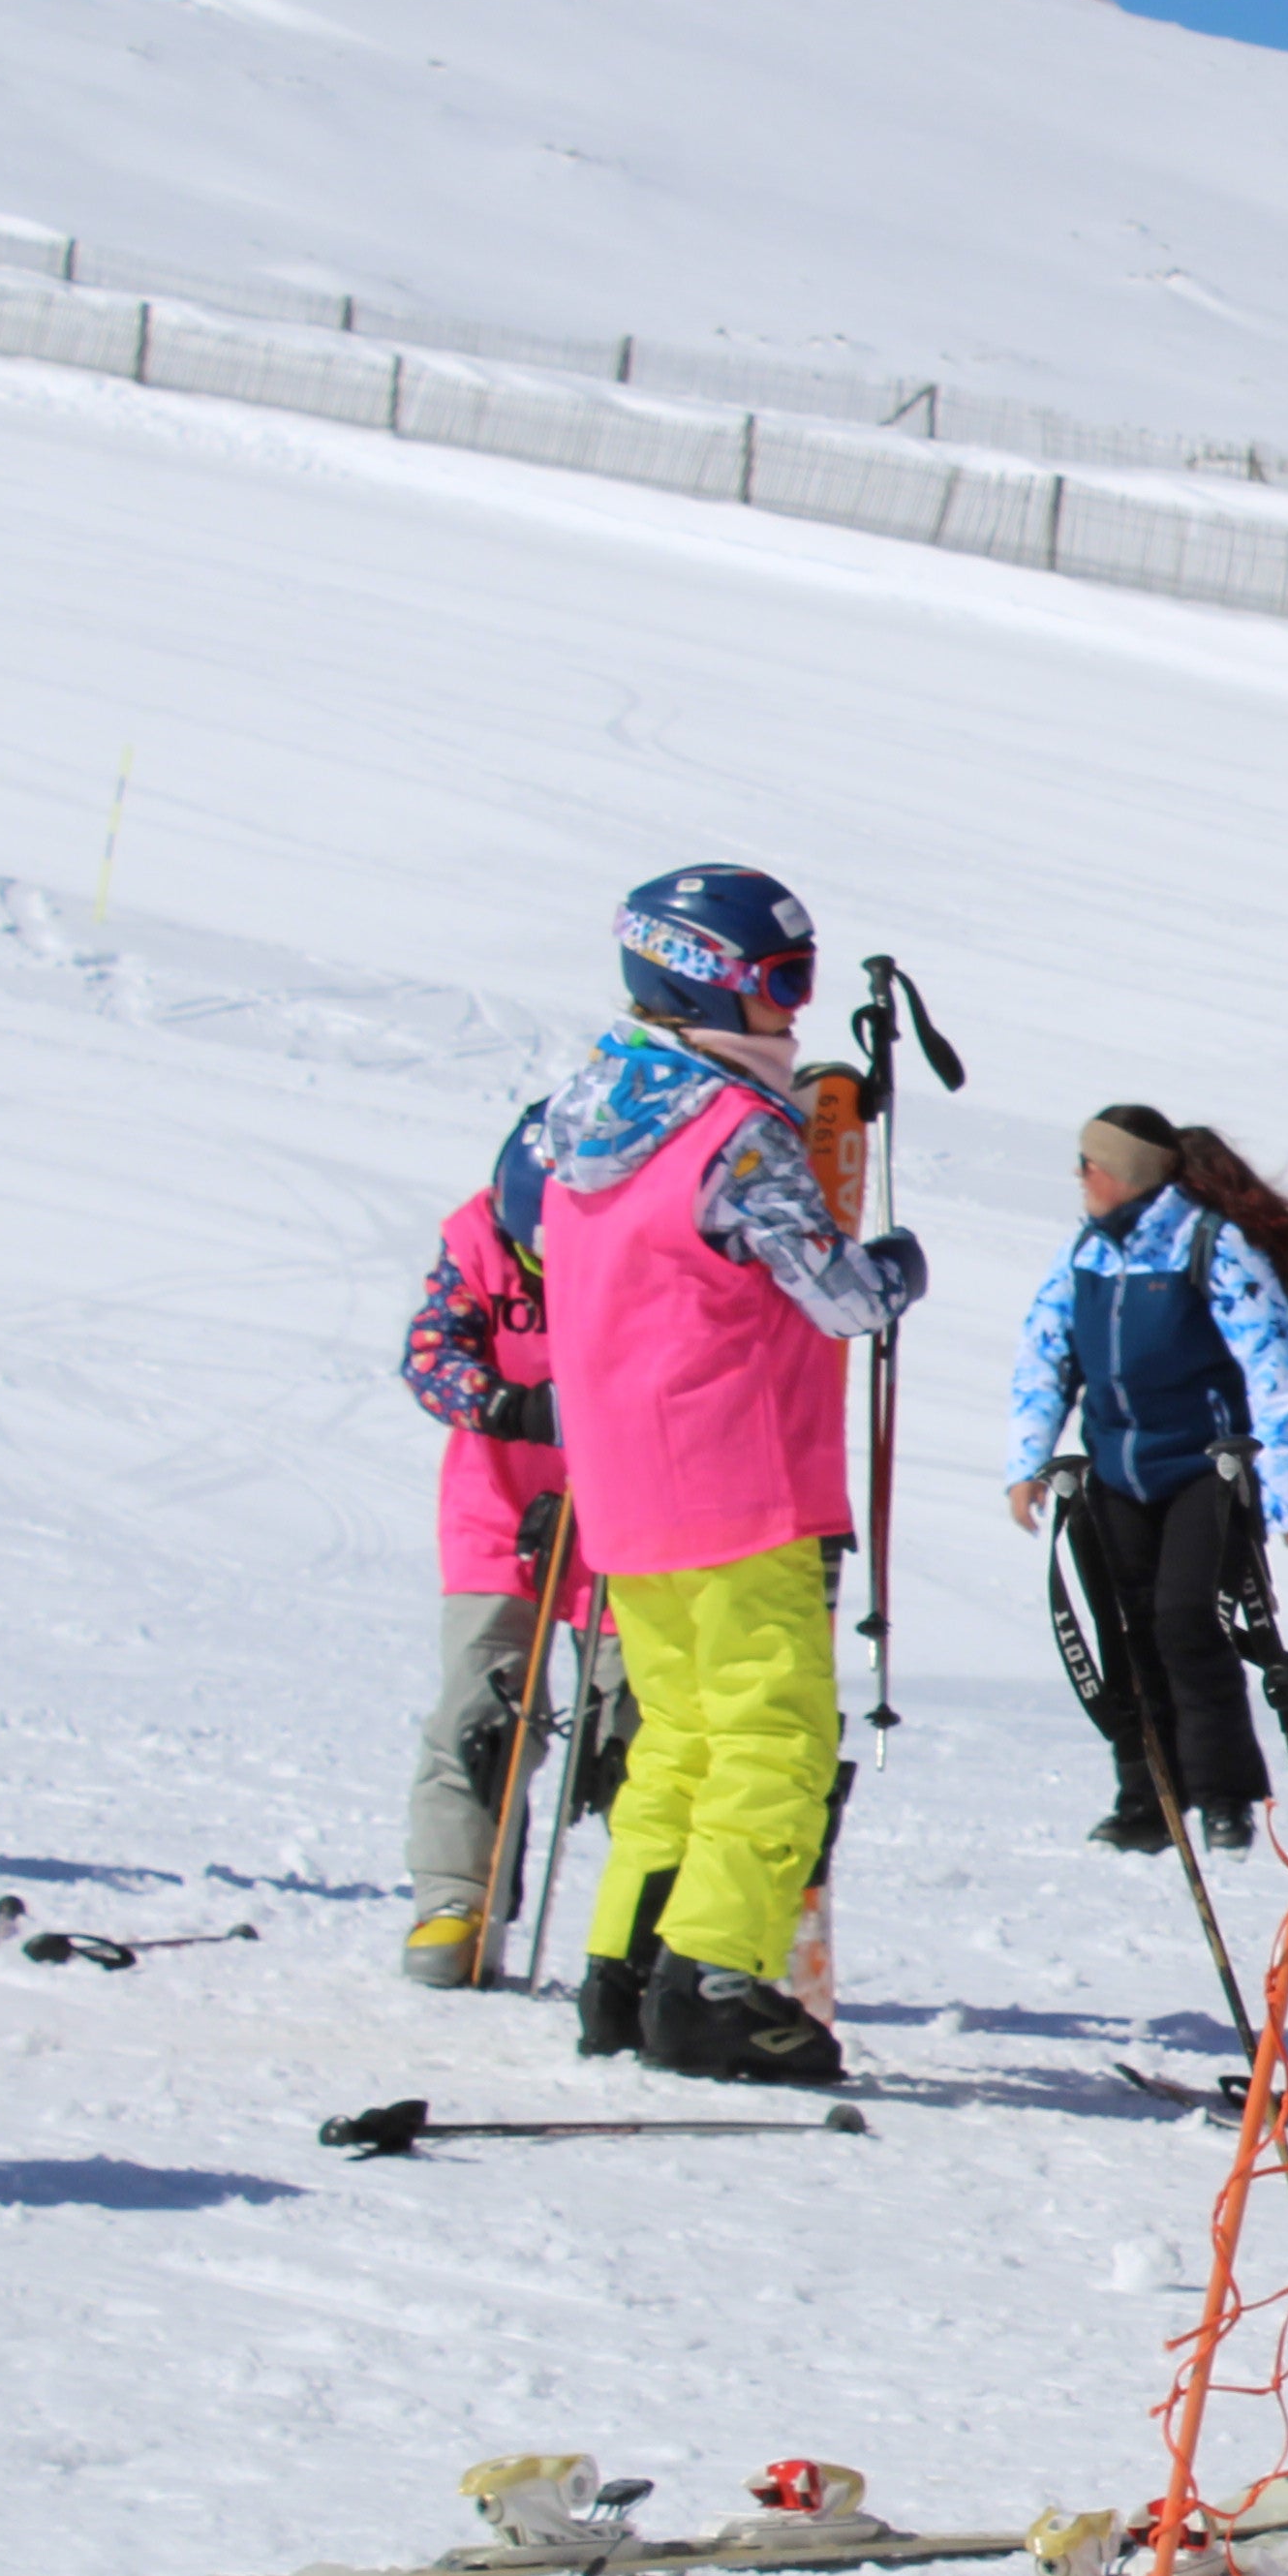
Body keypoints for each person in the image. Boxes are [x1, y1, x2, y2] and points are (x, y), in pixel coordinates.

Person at [525, 864, 925, 2088]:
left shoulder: (586, 1114)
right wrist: (898, 1262)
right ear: (713, 981)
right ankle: (714, 1983)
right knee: (775, 1738)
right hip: (738, 1474)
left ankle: (625, 1967)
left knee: (679, 1738)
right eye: (781, 985)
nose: (794, 1014)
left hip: (628, 1483)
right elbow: (839, 1292)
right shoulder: (734, 1133)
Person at [1004, 1104, 1288, 1853]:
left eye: (1095, 1163)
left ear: (1131, 1173)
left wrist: (1286, 1495)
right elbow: (1043, 1354)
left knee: (1186, 1620)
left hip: (1202, 1471)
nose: (1082, 1176)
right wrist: (1027, 1461)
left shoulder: (1211, 1246)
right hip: (1116, 1469)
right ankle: (1147, 1794)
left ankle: (1223, 1796)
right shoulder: (1086, 1252)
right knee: (1125, 1631)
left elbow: (1273, 1369)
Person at [392, 1141, 631, 1985]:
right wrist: (507, 1403)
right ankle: (455, 1899)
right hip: (499, 1510)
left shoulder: (635, 1239)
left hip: (625, 1510)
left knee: (632, 1718)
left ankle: (649, 1918)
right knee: (481, 1708)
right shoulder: (474, 1244)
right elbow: (429, 1360)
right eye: (534, 1256)